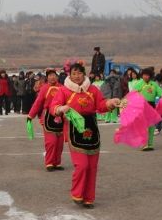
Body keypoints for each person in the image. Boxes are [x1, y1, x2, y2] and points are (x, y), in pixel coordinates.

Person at [50, 63, 121, 208]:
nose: (77, 76)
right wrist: (60, 109)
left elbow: (100, 105)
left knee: (92, 166)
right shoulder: (64, 91)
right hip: (74, 129)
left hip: (91, 128)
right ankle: (77, 194)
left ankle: (89, 198)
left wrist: (111, 103)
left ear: (84, 74)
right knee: (82, 165)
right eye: (74, 74)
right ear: (70, 75)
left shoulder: (93, 89)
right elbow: (53, 107)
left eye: (79, 73)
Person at [28, 69, 64, 172]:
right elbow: (38, 103)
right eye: (50, 75)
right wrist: (30, 115)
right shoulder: (44, 88)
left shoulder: (62, 88)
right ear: (47, 77)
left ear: (57, 77)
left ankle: (57, 163)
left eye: (54, 75)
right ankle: (49, 162)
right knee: (51, 142)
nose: (52, 77)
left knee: (59, 142)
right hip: (48, 117)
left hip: (60, 117)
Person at [132, 68, 162, 150]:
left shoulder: (154, 84)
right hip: (142, 106)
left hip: (151, 106)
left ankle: (150, 144)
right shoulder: (139, 84)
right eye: (144, 75)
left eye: (147, 75)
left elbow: (160, 92)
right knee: (144, 126)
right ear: (142, 75)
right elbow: (132, 94)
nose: (146, 76)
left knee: (151, 126)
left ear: (150, 76)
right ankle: (144, 144)